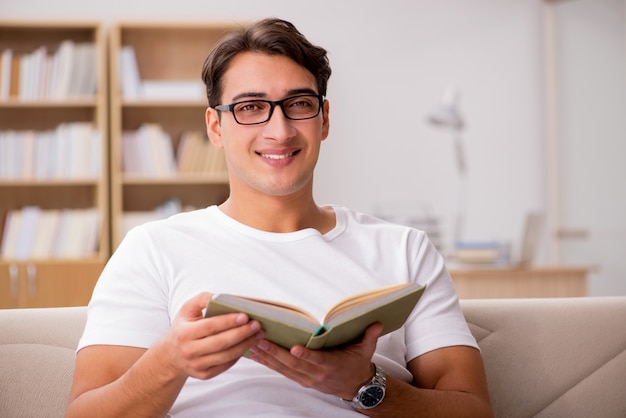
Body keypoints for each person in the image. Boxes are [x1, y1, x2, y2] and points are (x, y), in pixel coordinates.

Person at [66, 18, 493, 417]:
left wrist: (364, 385)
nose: (280, 129)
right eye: (251, 107)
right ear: (216, 127)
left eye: (299, 103)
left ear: (323, 119)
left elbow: (473, 408)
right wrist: (170, 362)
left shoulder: (404, 250)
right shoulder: (152, 249)